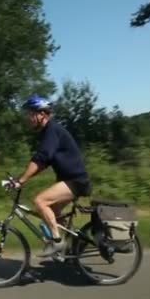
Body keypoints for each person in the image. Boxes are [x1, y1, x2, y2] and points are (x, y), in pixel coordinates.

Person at [8, 94, 91, 257]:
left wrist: (22, 180)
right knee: (51, 212)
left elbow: (41, 157)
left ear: (43, 114)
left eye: (31, 113)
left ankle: (57, 242)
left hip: (75, 181)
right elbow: (43, 163)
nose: (28, 117)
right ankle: (74, 245)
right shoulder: (49, 131)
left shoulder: (52, 130)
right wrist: (20, 178)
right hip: (70, 180)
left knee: (40, 201)